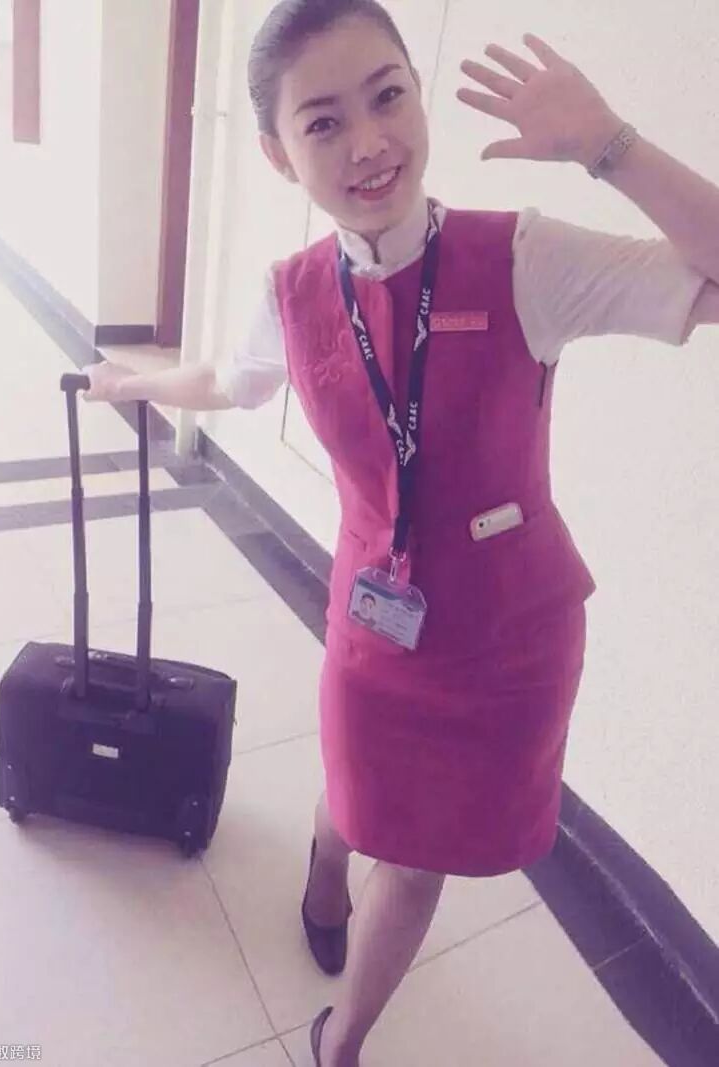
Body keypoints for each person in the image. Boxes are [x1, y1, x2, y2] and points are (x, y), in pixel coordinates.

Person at [83, 2, 719, 1063]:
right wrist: (136, 381)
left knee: (418, 858)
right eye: (324, 122)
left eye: (388, 96)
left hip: (508, 640)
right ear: (279, 152)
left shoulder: (523, 257)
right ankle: (327, 866)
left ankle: (340, 1041)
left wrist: (608, 146)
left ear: (419, 98)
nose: (369, 142)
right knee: (356, 787)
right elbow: (232, 382)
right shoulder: (293, 292)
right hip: (375, 621)